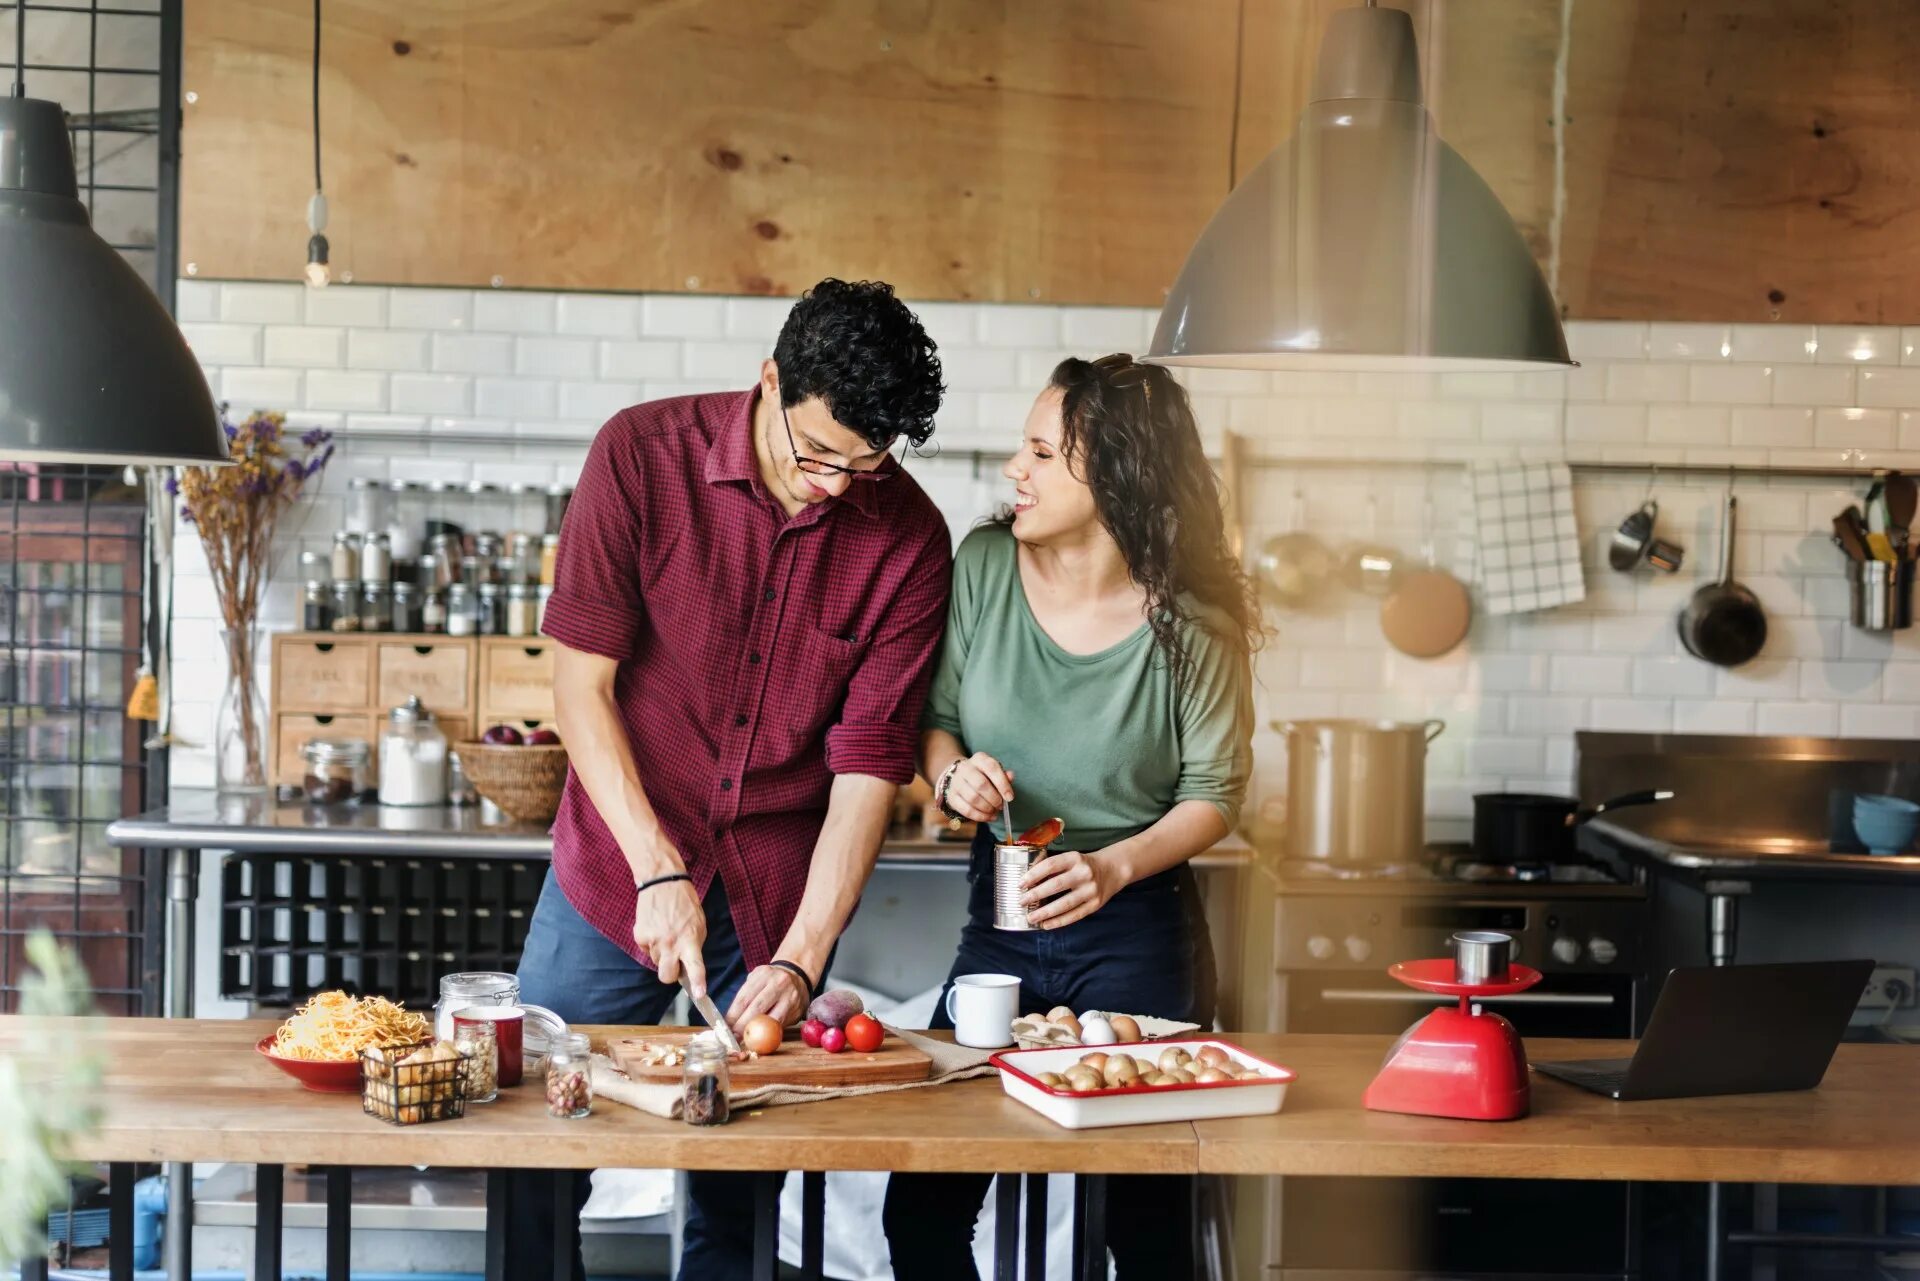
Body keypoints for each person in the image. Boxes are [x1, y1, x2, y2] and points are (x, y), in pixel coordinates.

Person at [516, 278, 952, 1280]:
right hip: (617, 867)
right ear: (768, 382)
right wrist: (657, 871)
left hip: (777, 883)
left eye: (869, 462)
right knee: (540, 1140)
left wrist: (800, 961)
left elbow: (867, 769)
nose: (840, 484)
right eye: (818, 453)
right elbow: (582, 688)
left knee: (744, 1179)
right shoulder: (639, 455)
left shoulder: (911, 542)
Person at [881, 353, 1258, 1281]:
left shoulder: (1194, 619)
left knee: (1150, 1228)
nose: (1017, 467)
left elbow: (1216, 791)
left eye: (1043, 451)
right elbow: (938, 725)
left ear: (1118, 475)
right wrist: (953, 775)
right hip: (999, 923)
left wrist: (1115, 866)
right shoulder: (983, 566)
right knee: (922, 1209)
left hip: (1137, 930)